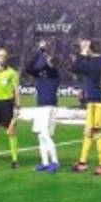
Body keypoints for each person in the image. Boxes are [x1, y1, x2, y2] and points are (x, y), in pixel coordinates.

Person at [71, 39, 101, 173]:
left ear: (90, 49)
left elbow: (75, 67)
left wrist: (82, 52)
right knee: (88, 131)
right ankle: (83, 162)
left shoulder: (91, 63)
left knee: (96, 132)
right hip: (99, 100)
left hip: (96, 101)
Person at [26, 42, 62, 173]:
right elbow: (29, 68)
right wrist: (39, 52)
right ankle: (45, 162)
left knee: (46, 134)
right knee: (40, 135)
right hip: (41, 106)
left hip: (48, 106)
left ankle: (55, 161)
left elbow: (48, 67)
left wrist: (44, 52)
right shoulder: (42, 71)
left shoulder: (54, 72)